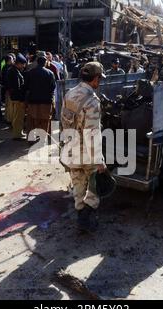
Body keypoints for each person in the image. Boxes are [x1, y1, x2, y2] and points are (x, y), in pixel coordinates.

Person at [60, 62, 107, 232]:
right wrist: (99, 161)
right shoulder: (92, 102)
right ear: (95, 79)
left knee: (78, 186)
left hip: (71, 149)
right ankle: (86, 217)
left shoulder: (69, 94)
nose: (99, 82)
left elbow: (64, 122)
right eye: (100, 78)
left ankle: (81, 218)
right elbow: (92, 134)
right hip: (87, 154)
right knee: (94, 188)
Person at [24, 56, 56, 142]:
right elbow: (52, 87)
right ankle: (42, 138)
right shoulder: (50, 73)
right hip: (46, 101)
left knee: (32, 120)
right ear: (45, 63)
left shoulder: (30, 72)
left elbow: (26, 86)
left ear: (37, 62)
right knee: (45, 120)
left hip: (33, 100)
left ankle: (31, 138)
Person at [6, 53, 27, 140]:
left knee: (16, 116)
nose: (23, 66)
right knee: (18, 117)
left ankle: (18, 132)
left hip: (15, 97)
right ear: (18, 63)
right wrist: (22, 97)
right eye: (23, 64)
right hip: (18, 98)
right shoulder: (14, 72)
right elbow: (17, 87)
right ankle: (17, 134)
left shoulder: (13, 70)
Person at [1, 54, 15, 123]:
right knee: (10, 105)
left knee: (7, 105)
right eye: (12, 59)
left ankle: (7, 117)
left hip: (6, 89)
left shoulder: (4, 67)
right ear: (9, 60)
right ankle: (9, 119)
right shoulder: (9, 68)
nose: (13, 61)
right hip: (10, 89)